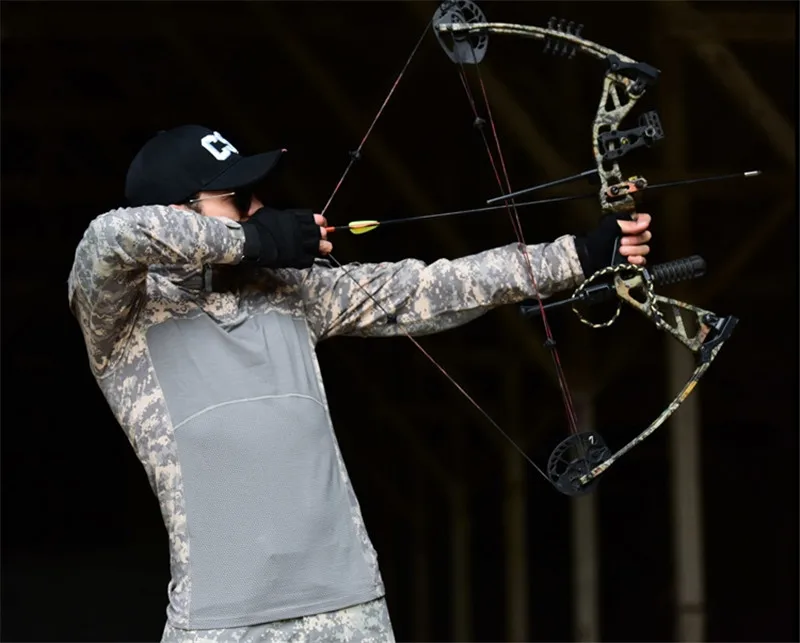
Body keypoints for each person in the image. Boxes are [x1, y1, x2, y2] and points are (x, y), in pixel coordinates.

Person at [68, 125, 651, 642]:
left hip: (347, 607)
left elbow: (430, 289)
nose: (260, 208)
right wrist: (254, 240)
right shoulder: (125, 318)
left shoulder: (288, 290)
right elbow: (111, 237)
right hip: (218, 621)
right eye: (240, 199)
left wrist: (579, 255)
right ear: (180, 210)